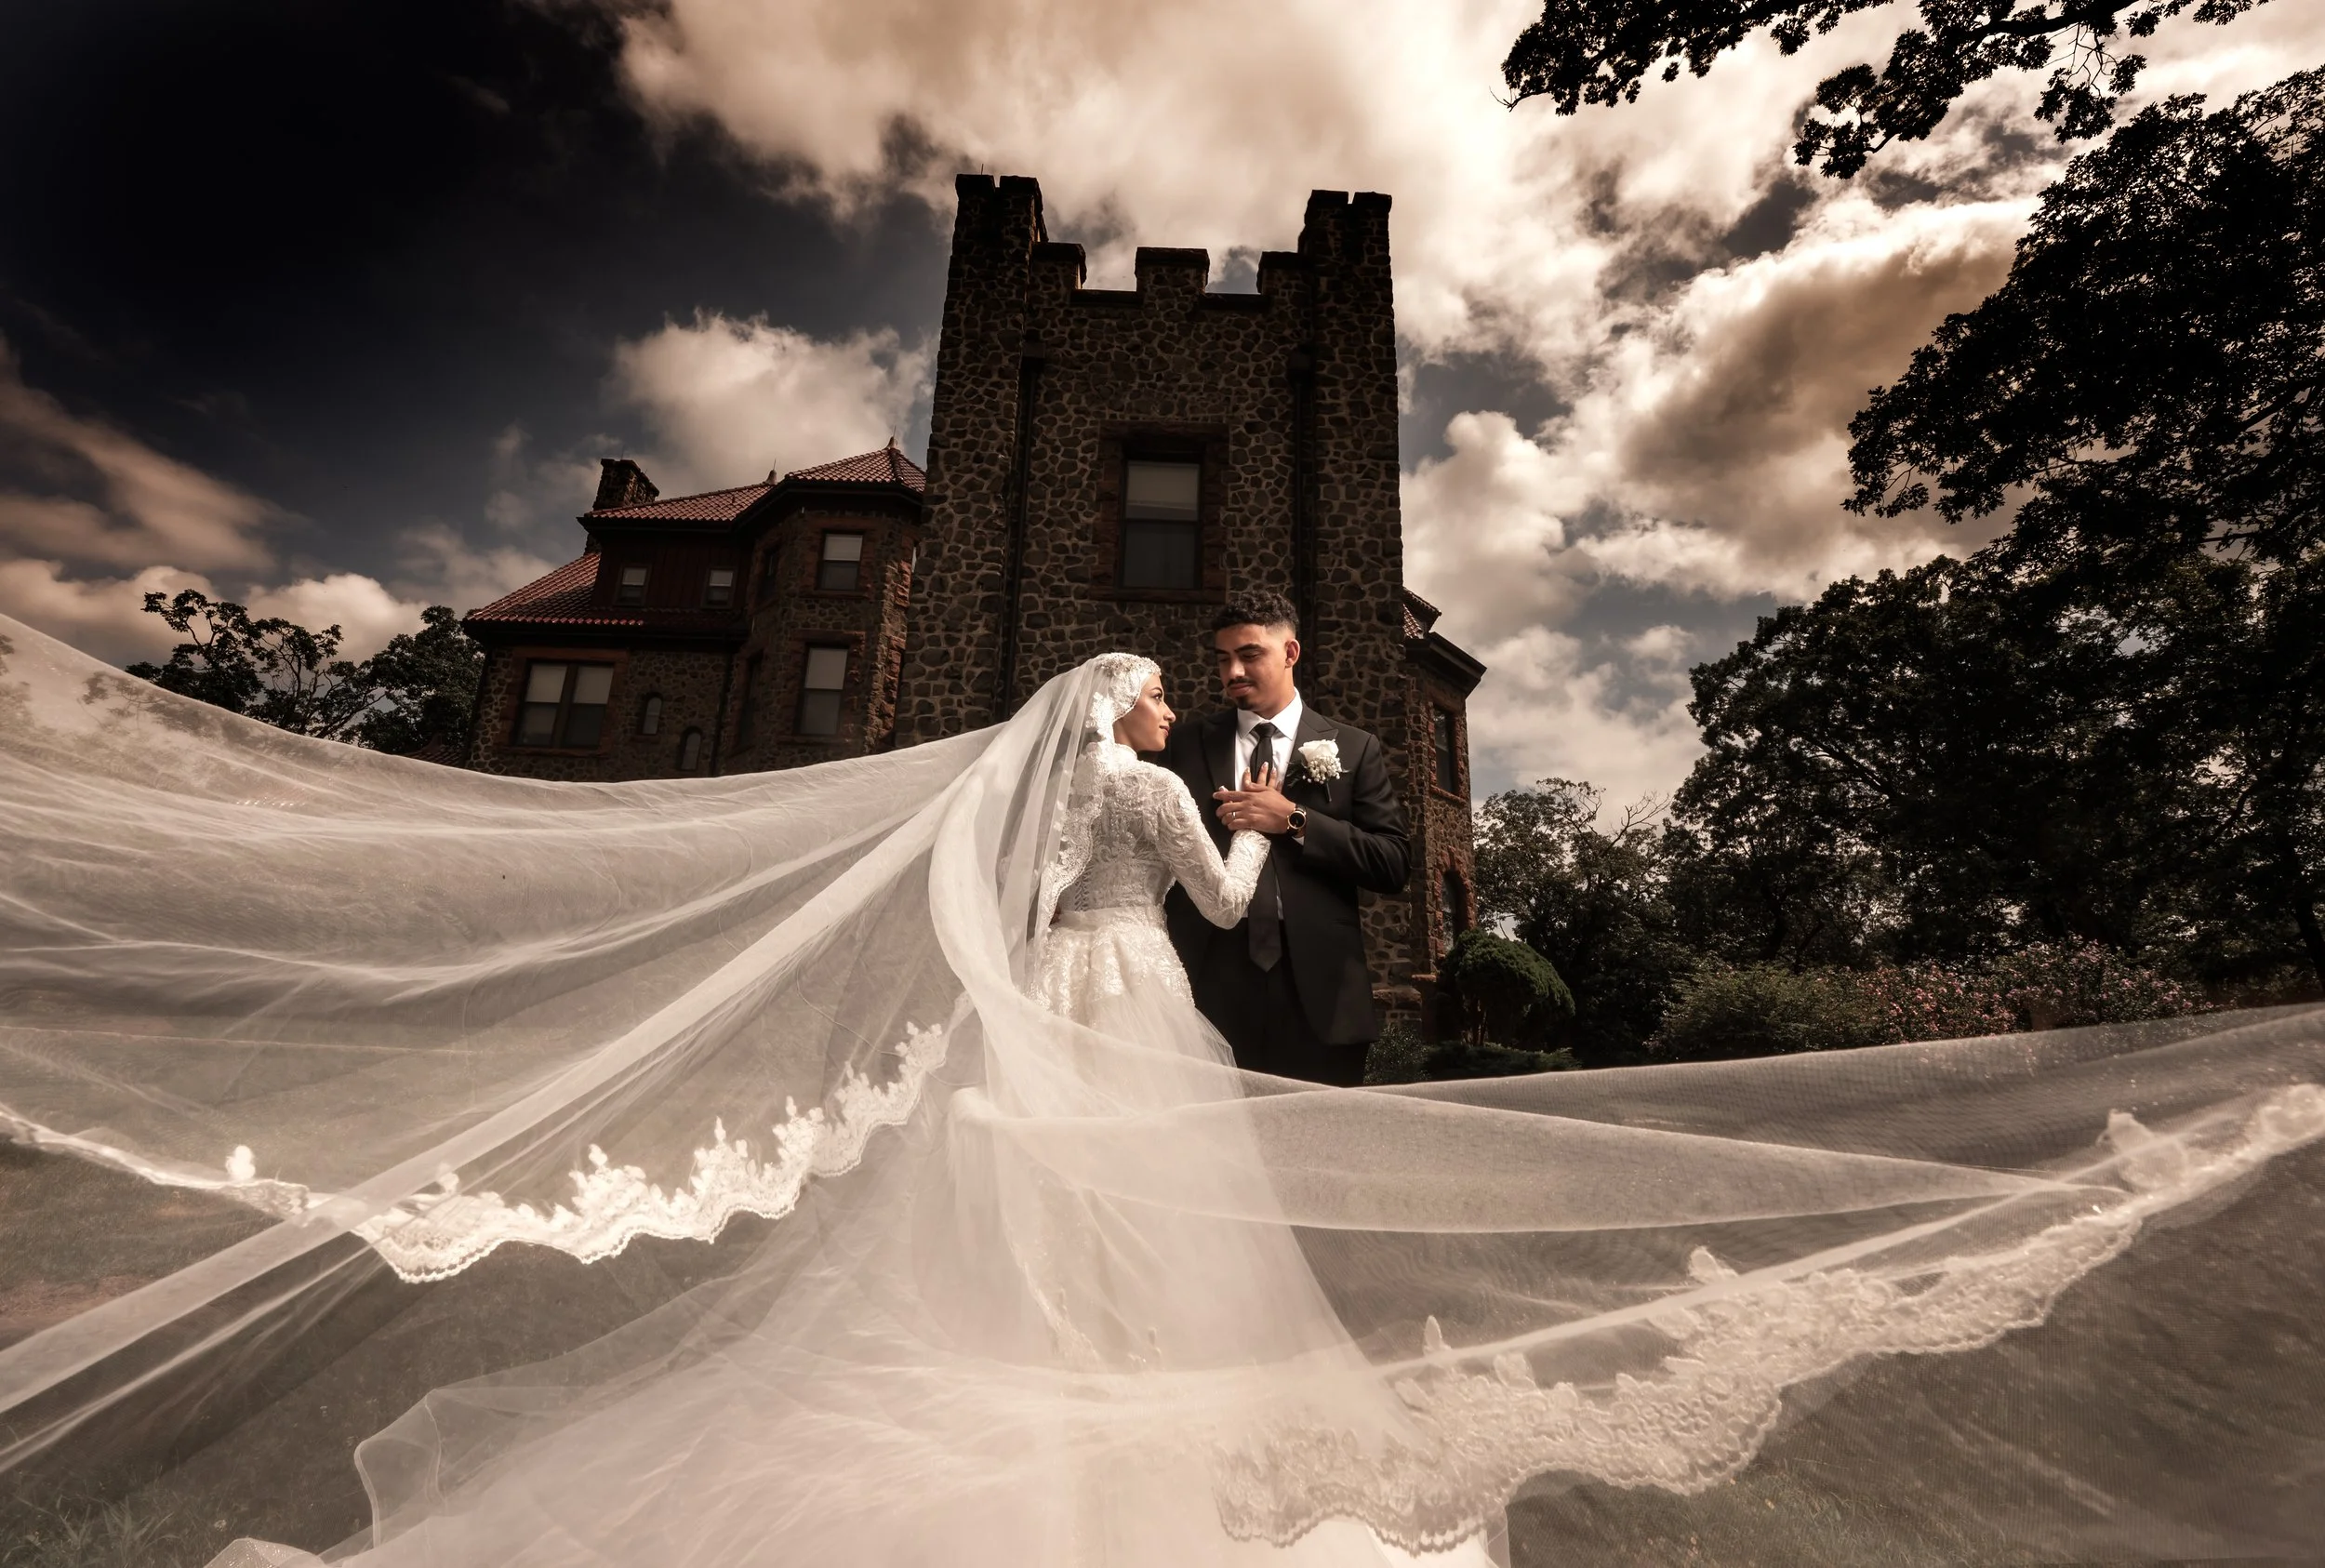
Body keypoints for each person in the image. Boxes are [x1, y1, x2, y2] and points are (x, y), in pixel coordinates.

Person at [3, 618, 2323, 1568]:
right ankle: (1124, 1392)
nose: (1201, 683)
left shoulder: (1055, 799)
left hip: (1056, 992)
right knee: (1156, 1214)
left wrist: (1289, 822)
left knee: (1025, 1213)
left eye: (1237, 670)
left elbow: (1092, 907)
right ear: (1148, 702)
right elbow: (1220, 909)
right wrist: (1245, 835)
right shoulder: (1159, 790)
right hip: (1155, 985)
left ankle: (1062, 1371)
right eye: (1184, 676)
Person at [1156, 592, 1410, 1086]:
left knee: (1320, 1153)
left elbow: (1393, 862)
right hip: (1205, 982)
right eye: (1223, 659)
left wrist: (1294, 820)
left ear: (1291, 653)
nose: (1232, 672)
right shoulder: (1182, 746)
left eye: (1249, 655)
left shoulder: (1354, 747)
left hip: (1320, 989)